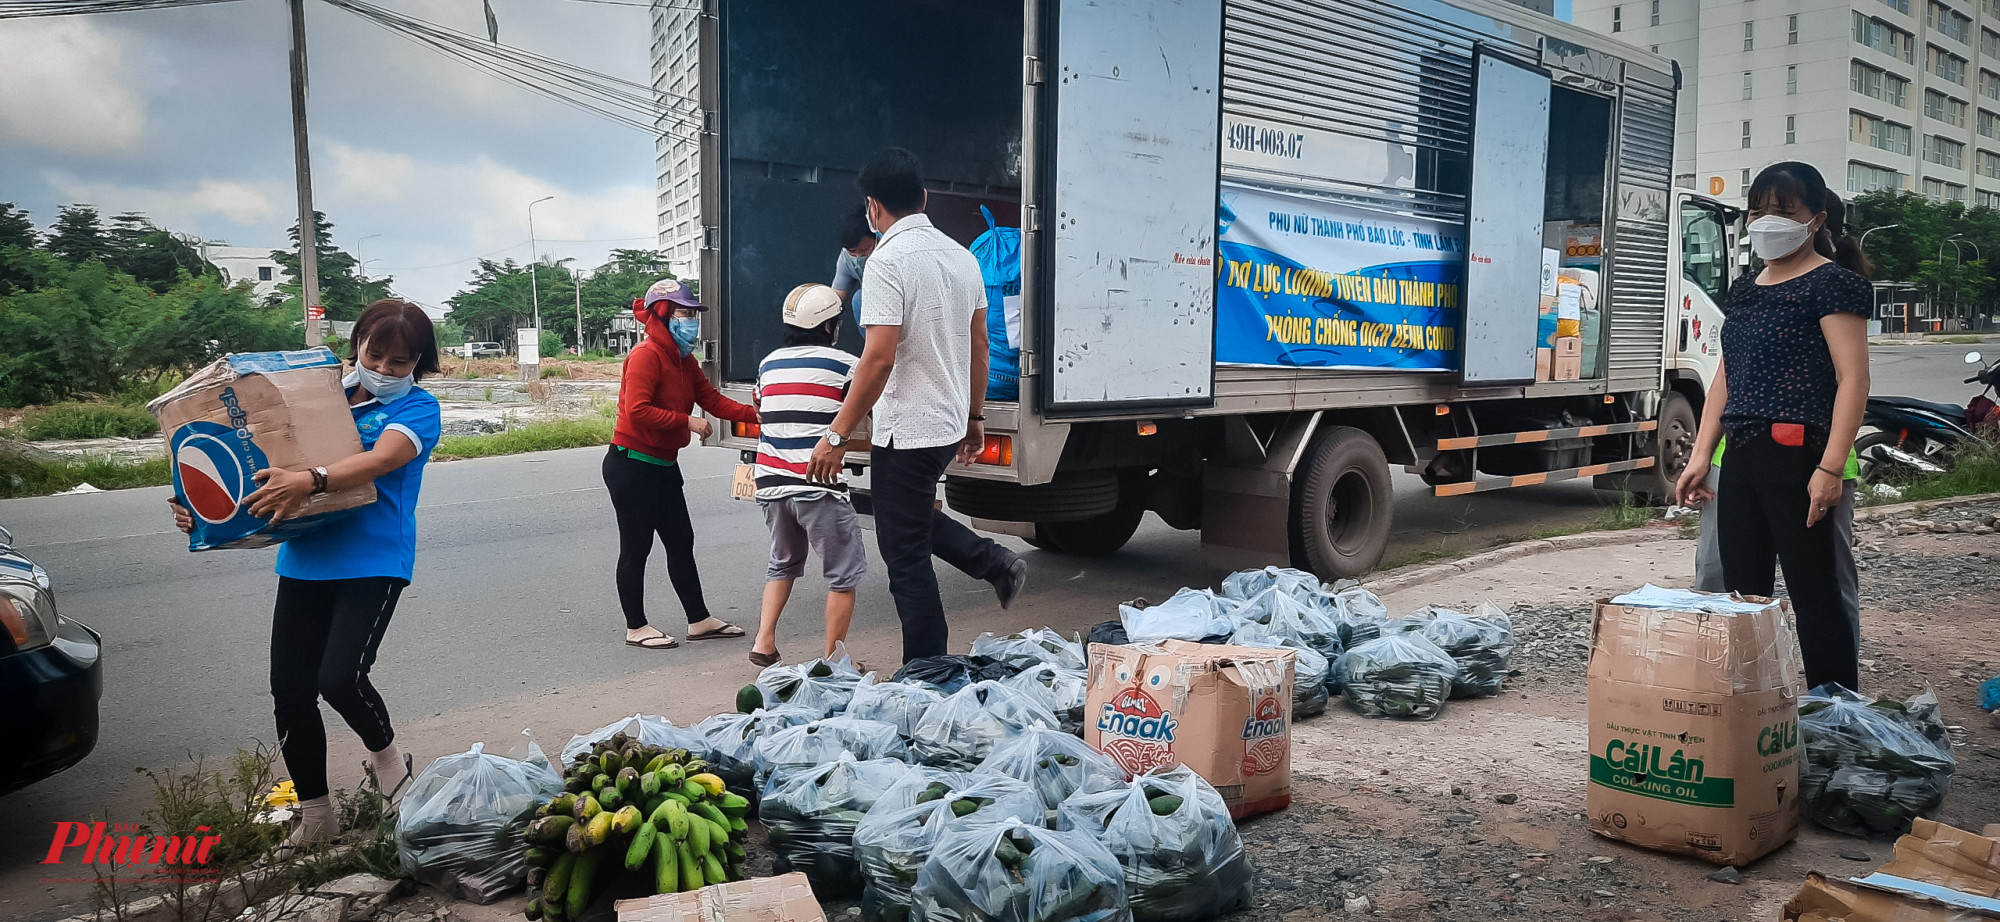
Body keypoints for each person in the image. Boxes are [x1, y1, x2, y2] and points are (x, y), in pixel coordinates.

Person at [168, 299, 442, 856]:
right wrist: (198, 507)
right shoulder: (321, 398)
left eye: (400, 361)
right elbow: (259, 464)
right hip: (305, 559)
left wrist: (312, 479)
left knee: (339, 679)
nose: (386, 369)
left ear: (418, 362)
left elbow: (378, 462)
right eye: (376, 355)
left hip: (374, 560)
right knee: (290, 690)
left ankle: (389, 761)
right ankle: (316, 814)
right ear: (357, 345)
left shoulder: (419, 409)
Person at [807, 147, 1028, 663]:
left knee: (904, 556)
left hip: (908, 429)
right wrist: (974, 418)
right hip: (946, 421)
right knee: (900, 521)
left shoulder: (885, 262)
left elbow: (878, 358)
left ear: (872, 207)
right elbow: (980, 344)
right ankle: (994, 562)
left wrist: (836, 435)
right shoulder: (962, 256)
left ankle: (928, 670)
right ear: (924, 197)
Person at [1676, 161, 1871, 691]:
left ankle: (1836, 720)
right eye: (1758, 210)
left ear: (1816, 220)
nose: (1767, 221)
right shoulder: (1747, 286)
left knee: (1815, 597)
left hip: (1799, 455)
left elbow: (1854, 381)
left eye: (1783, 211)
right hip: (1740, 456)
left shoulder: (1833, 285)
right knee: (1744, 602)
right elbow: (1725, 376)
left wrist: (1830, 467)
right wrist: (1700, 457)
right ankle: (1755, 717)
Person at [604, 278, 760, 649]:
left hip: (662, 466)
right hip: (631, 465)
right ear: (662, 315)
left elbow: (714, 400)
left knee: (680, 541)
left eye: (693, 314)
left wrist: (760, 415)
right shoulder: (646, 356)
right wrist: (685, 421)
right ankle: (636, 626)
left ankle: (699, 619)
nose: (691, 321)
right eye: (684, 313)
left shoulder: (683, 359)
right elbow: (636, 411)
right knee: (637, 547)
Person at [748, 284, 868, 667]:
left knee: (782, 562)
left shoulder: (768, 364)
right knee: (842, 575)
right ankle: (833, 662)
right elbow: (862, 414)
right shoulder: (846, 366)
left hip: (770, 483)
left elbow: (762, 411)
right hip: (819, 487)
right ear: (830, 325)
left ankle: (763, 642)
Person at [1691, 441, 1861, 656]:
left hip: (1818, 458)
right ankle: (1714, 677)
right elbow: (1715, 406)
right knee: (1719, 578)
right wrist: (1700, 455)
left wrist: (1831, 467)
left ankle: (1836, 686)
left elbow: (1850, 406)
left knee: (1827, 587)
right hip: (1732, 457)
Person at [831, 207, 877, 326]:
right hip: (874, 315)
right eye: (853, 251)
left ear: (876, 238)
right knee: (859, 300)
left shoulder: (890, 251)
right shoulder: (846, 259)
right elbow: (835, 299)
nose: (858, 256)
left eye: (864, 250)